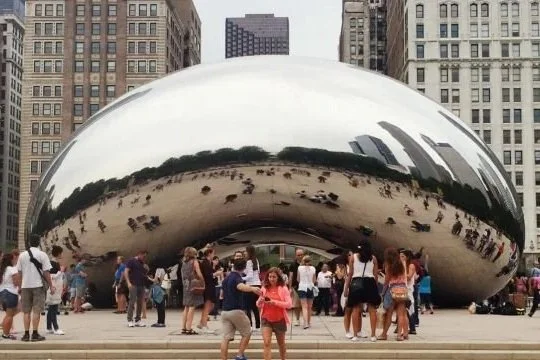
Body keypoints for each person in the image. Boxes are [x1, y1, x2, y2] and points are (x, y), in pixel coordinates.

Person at [220, 258, 261, 360]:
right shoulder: (237, 277)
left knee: (226, 337)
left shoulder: (226, 278)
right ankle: (239, 355)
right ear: (244, 268)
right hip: (236, 310)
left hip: (225, 311)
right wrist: (252, 288)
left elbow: (222, 294)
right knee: (247, 332)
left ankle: (223, 358)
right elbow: (240, 286)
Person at [16, 234, 55, 342]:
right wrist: (51, 286)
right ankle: (35, 333)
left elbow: (19, 273)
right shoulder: (43, 255)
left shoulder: (22, 255)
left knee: (26, 311)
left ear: (29, 242)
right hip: (38, 286)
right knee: (36, 311)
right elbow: (46, 272)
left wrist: (19, 287)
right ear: (39, 242)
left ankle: (26, 334)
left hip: (25, 286)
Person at [344, 241, 380, 342]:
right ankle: (373, 335)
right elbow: (375, 275)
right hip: (370, 283)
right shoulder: (373, 258)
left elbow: (350, 274)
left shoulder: (353, 257)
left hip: (356, 282)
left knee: (355, 308)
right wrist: (375, 287)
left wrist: (346, 288)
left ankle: (355, 335)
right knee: (372, 309)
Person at [256, 267, 292, 360]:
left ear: (278, 277)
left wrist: (274, 302)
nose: (271, 279)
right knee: (266, 342)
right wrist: (260, 300)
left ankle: (283, 358)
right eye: (270, 276)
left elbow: (289, 304)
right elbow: (258, 304)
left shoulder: (283, 288)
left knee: (281, 344)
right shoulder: (264, 288)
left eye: (274, 277)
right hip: (266, 319)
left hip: (279, 319)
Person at [378, 248, 408, 341]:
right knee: (401, 314)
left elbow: (387, 280)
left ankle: (384, 334)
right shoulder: (401, 263)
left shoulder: (388, 265)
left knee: (389, 314)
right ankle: (399, 335)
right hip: (402, 289)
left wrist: (383, 292)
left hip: (392, 289)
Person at [181, 247, 204, 334]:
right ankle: (189, 328)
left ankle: (183, 327)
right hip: (193, 285)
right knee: (192, 306)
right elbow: (198, 273)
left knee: (186, 307)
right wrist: (202, 280)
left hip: (186, 285)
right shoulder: (194, 262)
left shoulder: (183, 262)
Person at [124, 250, 148, 327]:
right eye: (143, 256)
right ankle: (129, 320)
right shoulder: (131, 261)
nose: (144, 258)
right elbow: (126, 271)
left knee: (140, 302)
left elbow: (143, 274)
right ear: (139, 254)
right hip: (133, 284)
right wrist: (128, 282)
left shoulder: (142, 263)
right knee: (132, 301)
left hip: (141, 284)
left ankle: (138, 319)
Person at [0, 250, 20, 340]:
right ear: (10, 260)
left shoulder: (2, 269)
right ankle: (6, 334)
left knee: (7, 314)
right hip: (11, 293)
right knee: (10, 315)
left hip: (2, 293)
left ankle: (5, 332)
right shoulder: (12, 269)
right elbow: (16, 282)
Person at [45, 245, 65, 335]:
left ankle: (49, 327)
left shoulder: (52, 262)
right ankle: (56, 328)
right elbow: (52, 277)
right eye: (61, 253)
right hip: (54, 288)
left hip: (54, 288)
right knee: (53, 308)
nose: (62, 255)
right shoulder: (53, 263)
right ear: (58, 253)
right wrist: (61, 271)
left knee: (51, 308)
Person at [198, 248, 217, 334]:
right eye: (213, 253)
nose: (213, 255)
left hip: (210, 286)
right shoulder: (205, 263)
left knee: (211, 304)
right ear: (209, 253)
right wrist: (216, 274)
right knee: (208, 304)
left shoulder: (209, 263)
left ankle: (202, 322)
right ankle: (204, 324)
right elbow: (207, 275)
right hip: (208, 286)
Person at [243, 246, 261, 331]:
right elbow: (258, 272)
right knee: (254, 306)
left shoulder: (249, 262)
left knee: (247, 307)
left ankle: (249, 325)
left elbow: (249, 276)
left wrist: (241, 278)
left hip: (250, 285)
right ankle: (258, 326)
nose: (244, 253)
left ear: (249, 252)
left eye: (245, 251)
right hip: (257, 284)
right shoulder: (256, 260)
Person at [297, 255, 316, 329]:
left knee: (304, 307)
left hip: (302, 287)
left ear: (303, 261)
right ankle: (308, 322)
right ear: (310, 261)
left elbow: (298, 279)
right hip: (310, 287)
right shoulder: (313, 268)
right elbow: (314, 280)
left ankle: (305, 323)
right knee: (309, 307)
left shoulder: (299, 268)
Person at [288, 248, 304, 326]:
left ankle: (306, 320)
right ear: (296, 255)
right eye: (298, 255)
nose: (300, 256)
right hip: (295, 287)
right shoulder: (293, 264)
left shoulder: (307, 264)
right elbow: (290, 276)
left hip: (305, 286)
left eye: (301, 255)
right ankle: (297, 319)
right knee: (296, 305)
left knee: (305, 305)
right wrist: (290, 288)